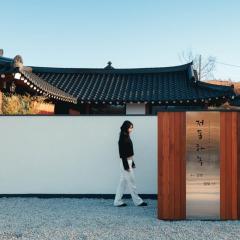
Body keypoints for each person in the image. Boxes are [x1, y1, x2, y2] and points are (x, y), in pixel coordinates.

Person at [113, 120, 148, 207]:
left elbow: (129, 152)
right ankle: (138, 202)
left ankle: (117, 201)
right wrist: (127, 166)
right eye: (130, 128)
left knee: (122, 183)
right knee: (132, 183)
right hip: (125, 163)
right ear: (126, 128)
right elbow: (122, 154)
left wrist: (132, 163)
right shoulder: (122, 138)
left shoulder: (126, 136)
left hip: (128, 162)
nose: (131, 129)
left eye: (132, 128)